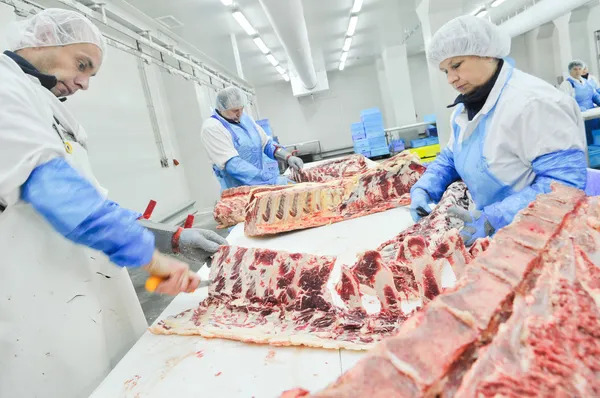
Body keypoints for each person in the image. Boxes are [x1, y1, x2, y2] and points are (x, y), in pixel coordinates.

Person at [0, 8, 226, 398]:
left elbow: (93, 198)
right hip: (34, 296)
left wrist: (169, 237)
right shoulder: (6, 89)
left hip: (86, 284)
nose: (84, 83)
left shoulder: (49, 108)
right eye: (82, 64)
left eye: (91, 73)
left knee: (124, 380)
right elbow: (56, 192)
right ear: (39, 40)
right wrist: (152, 260)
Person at [410, 15, 587, 246]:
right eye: (445, 71)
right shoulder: (466, 108)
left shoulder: (534, 103)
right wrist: (425, 187)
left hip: (548, 238)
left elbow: (564, 186)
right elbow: (451, 157)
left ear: (487, 53)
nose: (451, 79)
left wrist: (495, 217)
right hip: (504, 239)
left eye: (456, 65)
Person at [201, 87, 304, 190]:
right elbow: (233, 165)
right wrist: (271, 181)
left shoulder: (245, 119)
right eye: (235, 110)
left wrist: (287, 156)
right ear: (221, 108)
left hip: (260, 186)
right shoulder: (212, 127)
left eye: (241, 108)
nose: (240, 113)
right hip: (238, 192)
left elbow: (266, 144)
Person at [560, 60, 600, 145]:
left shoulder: (586, 82)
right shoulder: (567, 84)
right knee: (585, 139)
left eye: (579, 69)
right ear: (570, 71)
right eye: (575, 69)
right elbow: (565, 101)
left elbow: (594, 95)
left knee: (595, 136)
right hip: (579, 116)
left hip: (592, 115)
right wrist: (577, 108)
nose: (578, 71)